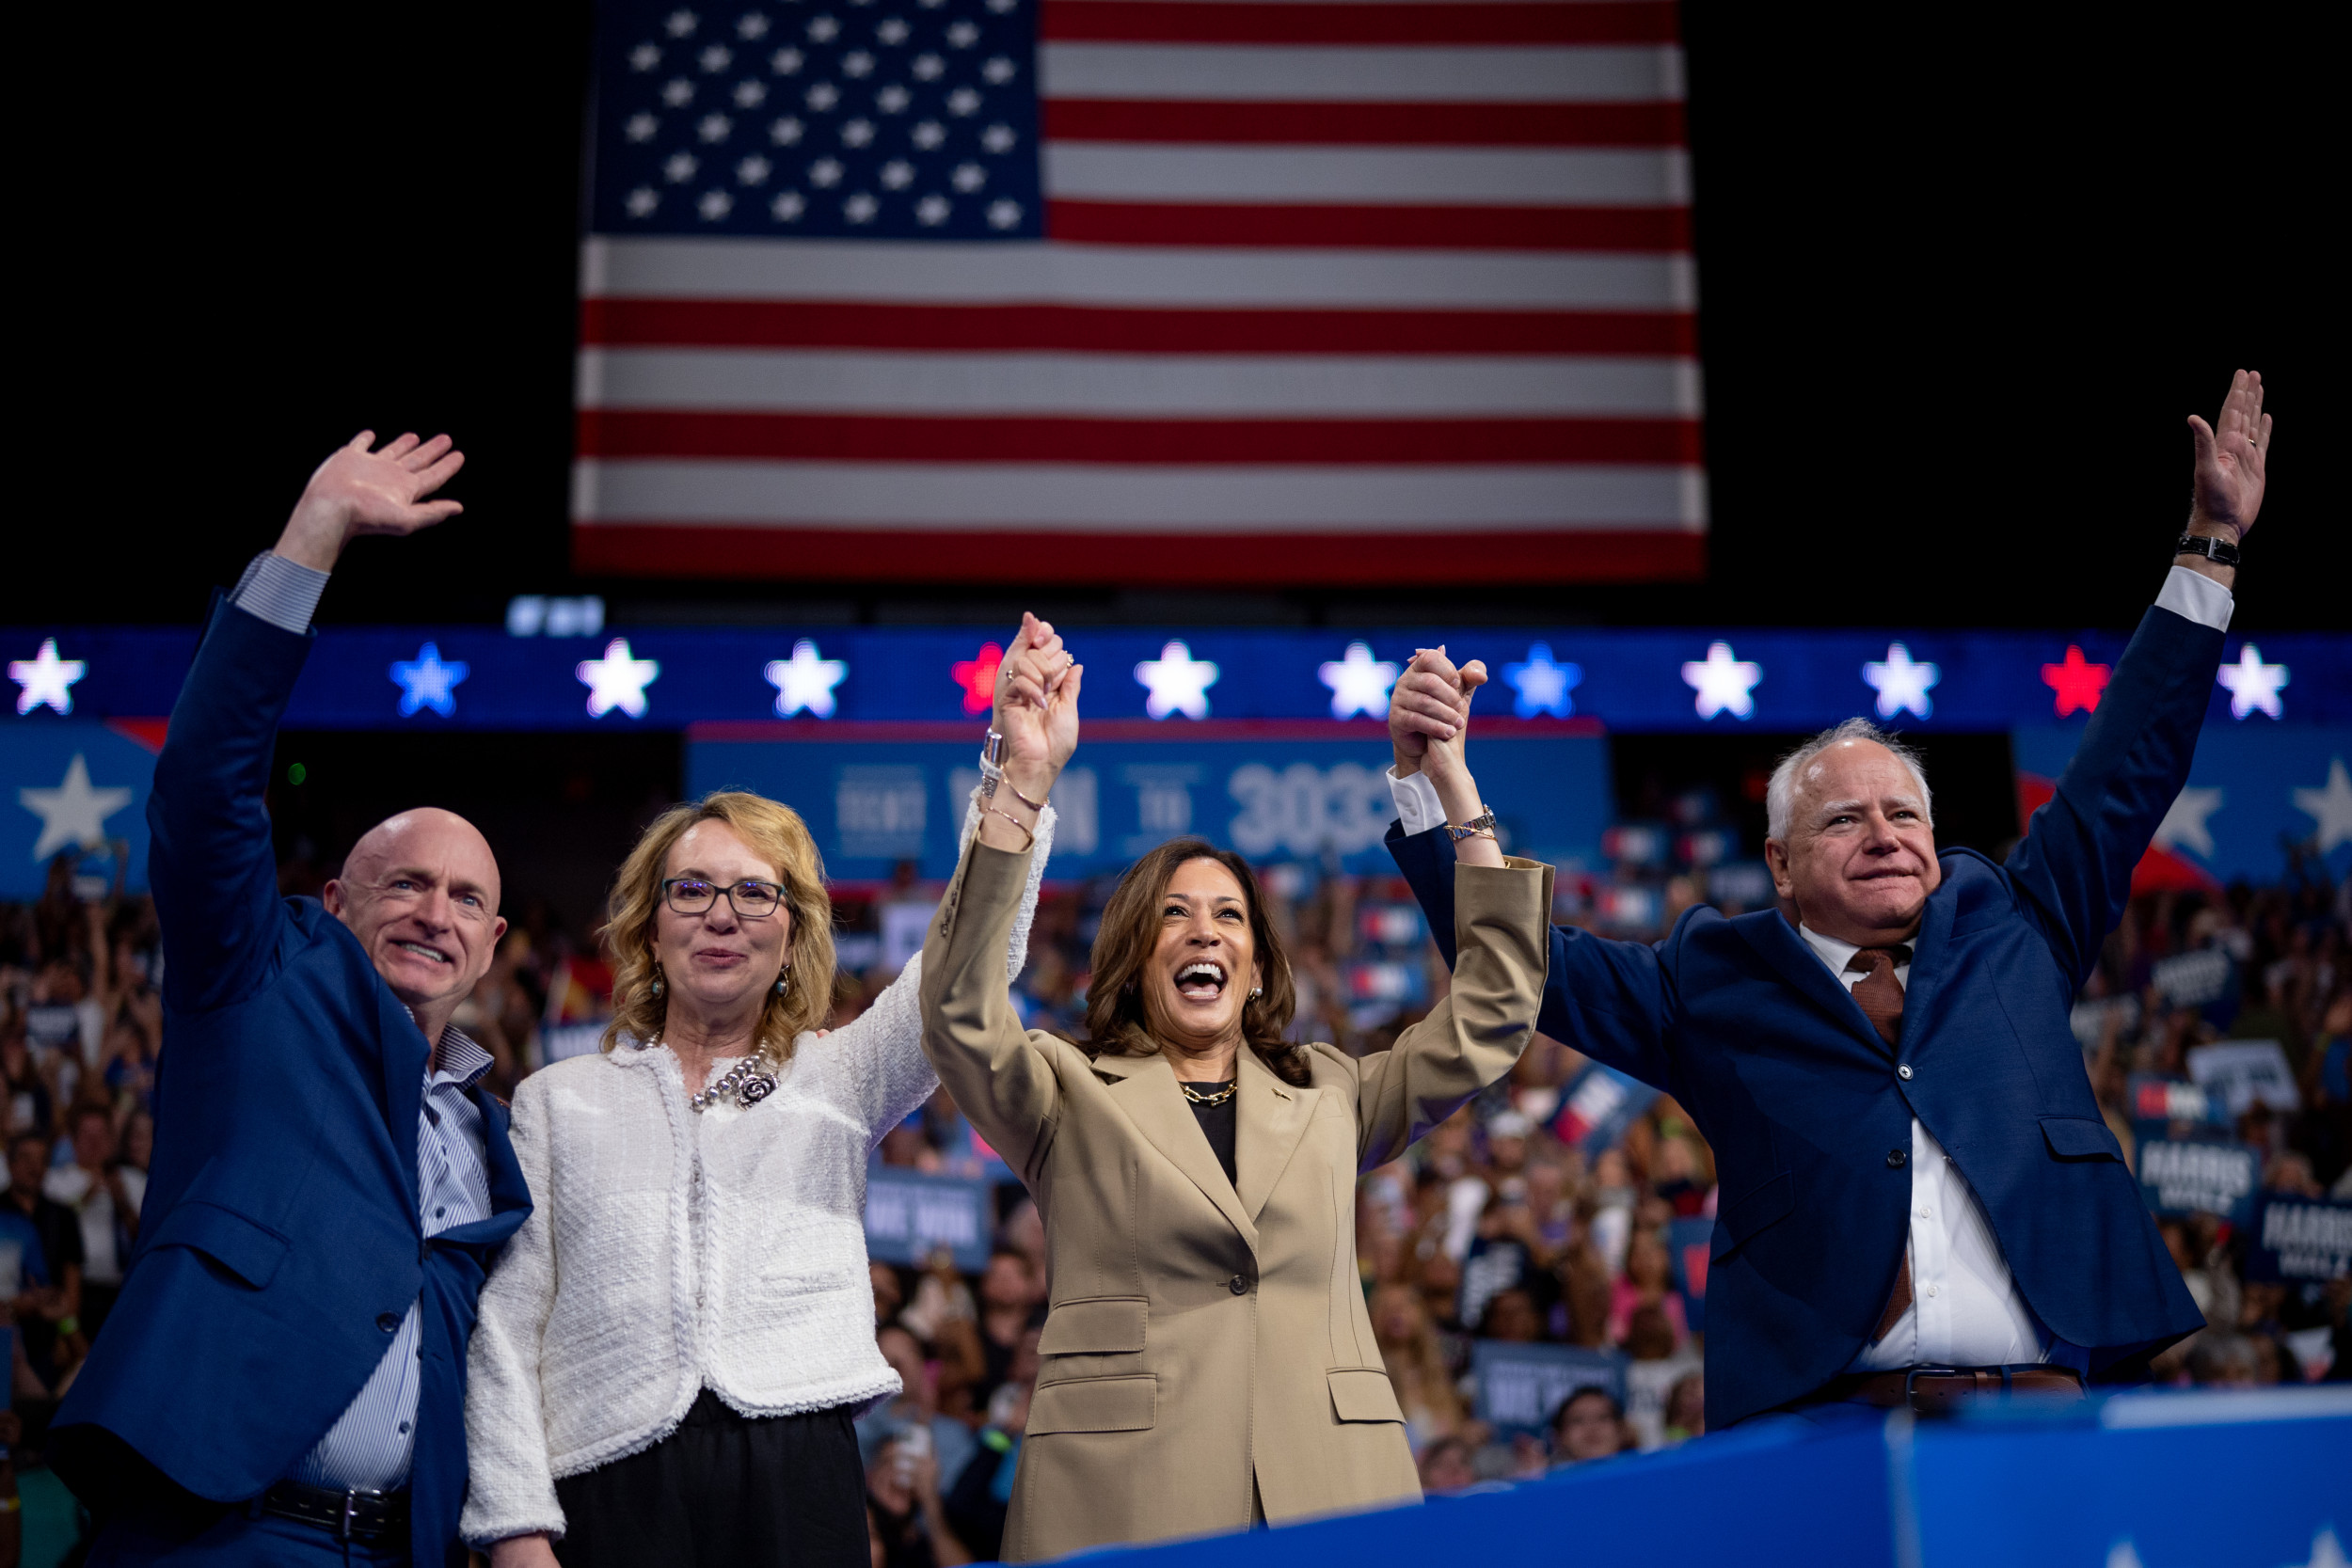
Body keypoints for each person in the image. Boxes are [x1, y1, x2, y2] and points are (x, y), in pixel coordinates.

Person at [1385, 372, 2276, 1426]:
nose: (1885, 832)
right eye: (1843, 819)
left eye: (1903, 813)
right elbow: (1518, 961)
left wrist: (2207, 547)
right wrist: (1432, 784)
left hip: (2045, 1412)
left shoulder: (2017, 922)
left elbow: (2127, 765)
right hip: (1827, 1425)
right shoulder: (1706, 977)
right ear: (1777, 863)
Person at [917, 623, 1554, 1559]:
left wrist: (1449, 786)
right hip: (1125, 1495)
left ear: (1256, 965)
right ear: (1136, 960)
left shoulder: (1330, 1090)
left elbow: (1494, 1013)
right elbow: (957, 1013)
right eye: (1172, 914)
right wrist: (1019, 783)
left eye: (1227, 915)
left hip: (1329, 1488)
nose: (1203, 931)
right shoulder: (1064, 1089)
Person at [461, 629, 1060, 1568]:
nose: (722, 911)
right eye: (691, 888)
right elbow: (504, 1324)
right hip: (604, 1483)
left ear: (792, 937)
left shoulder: (842, 1072)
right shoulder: (554, 1099)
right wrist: (513, 1524)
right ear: (648, 928)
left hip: (798, 1477)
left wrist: (1016, 784)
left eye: (753, 891)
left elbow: (964, 976)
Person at [50, 431, 534, 1565]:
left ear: (495, 943)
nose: (435, 910)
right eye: (404, 881)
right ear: (332, 900)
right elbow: (204, 782)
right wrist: (312, 533)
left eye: (467, 898)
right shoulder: (259, 977)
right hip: (215, 1529)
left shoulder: (491, 1128)